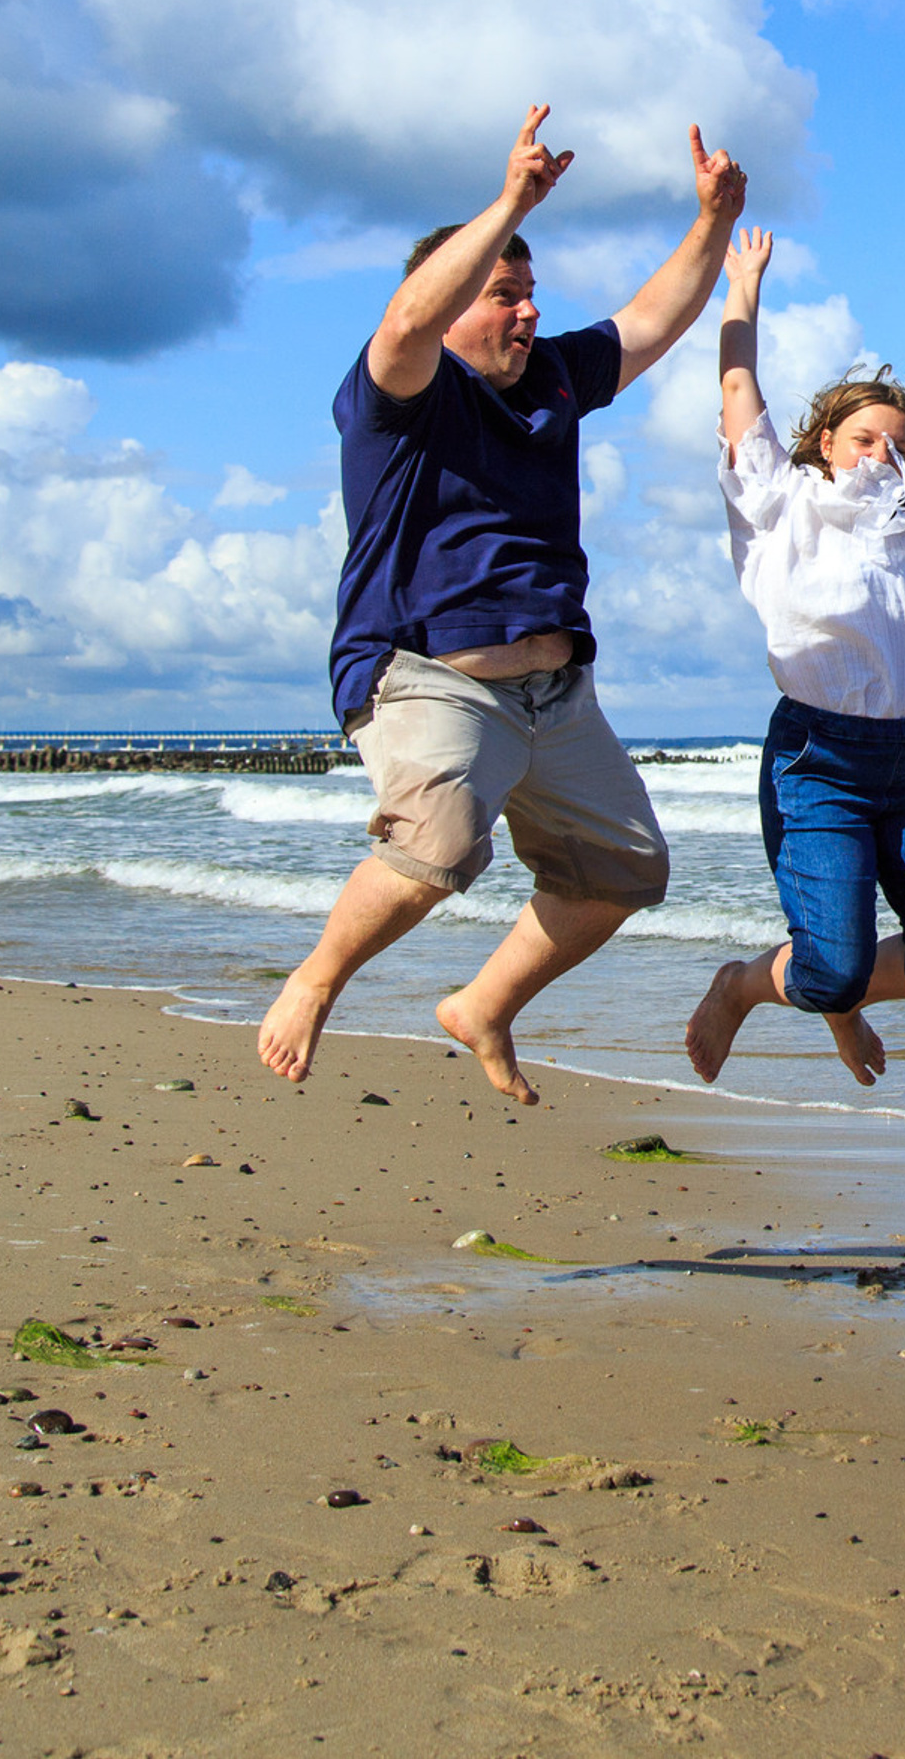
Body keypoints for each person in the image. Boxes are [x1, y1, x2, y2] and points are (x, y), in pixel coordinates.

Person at [258, 103, 747, 1104]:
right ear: (447, 302)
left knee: (625, 871)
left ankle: (483, 1004)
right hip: (426, 673)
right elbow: (404, 321)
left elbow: (653, 319)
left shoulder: (554, 378)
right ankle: (315, 980)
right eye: (502, 293)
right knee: (439, 844)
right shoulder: (402, 390)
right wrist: (511, 199)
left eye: (531, 291)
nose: (527, 310)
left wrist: (712, 221)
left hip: (555, 692)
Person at [684, 227, 905, 1087]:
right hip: (821, 759)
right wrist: (741, 285)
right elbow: (738, 381)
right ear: (825, 444)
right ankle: (745, 987)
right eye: (864, 439)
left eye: (896, 444)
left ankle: (841, 994)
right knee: (829, 971)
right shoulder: (780, 504)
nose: (881, 455)